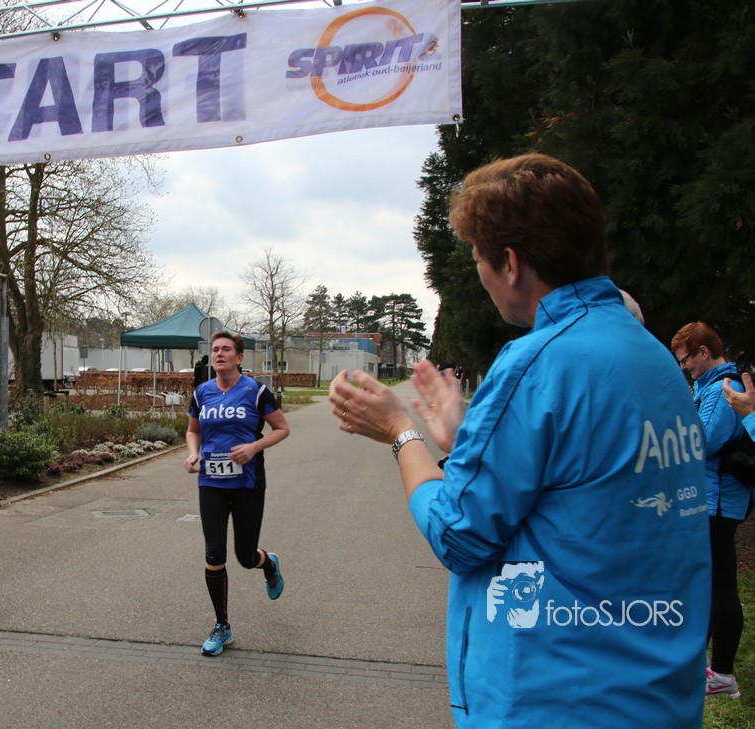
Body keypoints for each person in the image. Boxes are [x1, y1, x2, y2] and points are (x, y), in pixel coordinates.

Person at [328, 154, 710, 727]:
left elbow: (458, 535)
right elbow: (585, 489)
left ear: (509, 263)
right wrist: (466, 440)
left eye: (479, 260)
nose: (481, 279)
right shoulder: (652, 355)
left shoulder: (538, 362)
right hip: (657, 694)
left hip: (559, 699)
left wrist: (400, 431)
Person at [184, 331, 289, 656]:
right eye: (215, 349)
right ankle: (222, 626)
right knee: (214, 554)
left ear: (239, 357)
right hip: (211, 482)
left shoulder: (256, 391)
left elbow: (282, 429)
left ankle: (268, 565)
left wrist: (254, 447)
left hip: (247, 484)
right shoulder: (202, 393)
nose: (219, 354)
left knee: (245, 557)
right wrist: (193, 453)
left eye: (226, 349)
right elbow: (192, 430)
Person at [671, 321, 752, 699]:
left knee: (720, 586)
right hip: (709, 500)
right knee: (706, 584)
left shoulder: (723, 388)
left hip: (717, 502)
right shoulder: (707, 387)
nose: (684, 367)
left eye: (686, 359)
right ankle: (703, 666)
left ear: (704, 352)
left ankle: (722, 675)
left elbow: (700, 443)